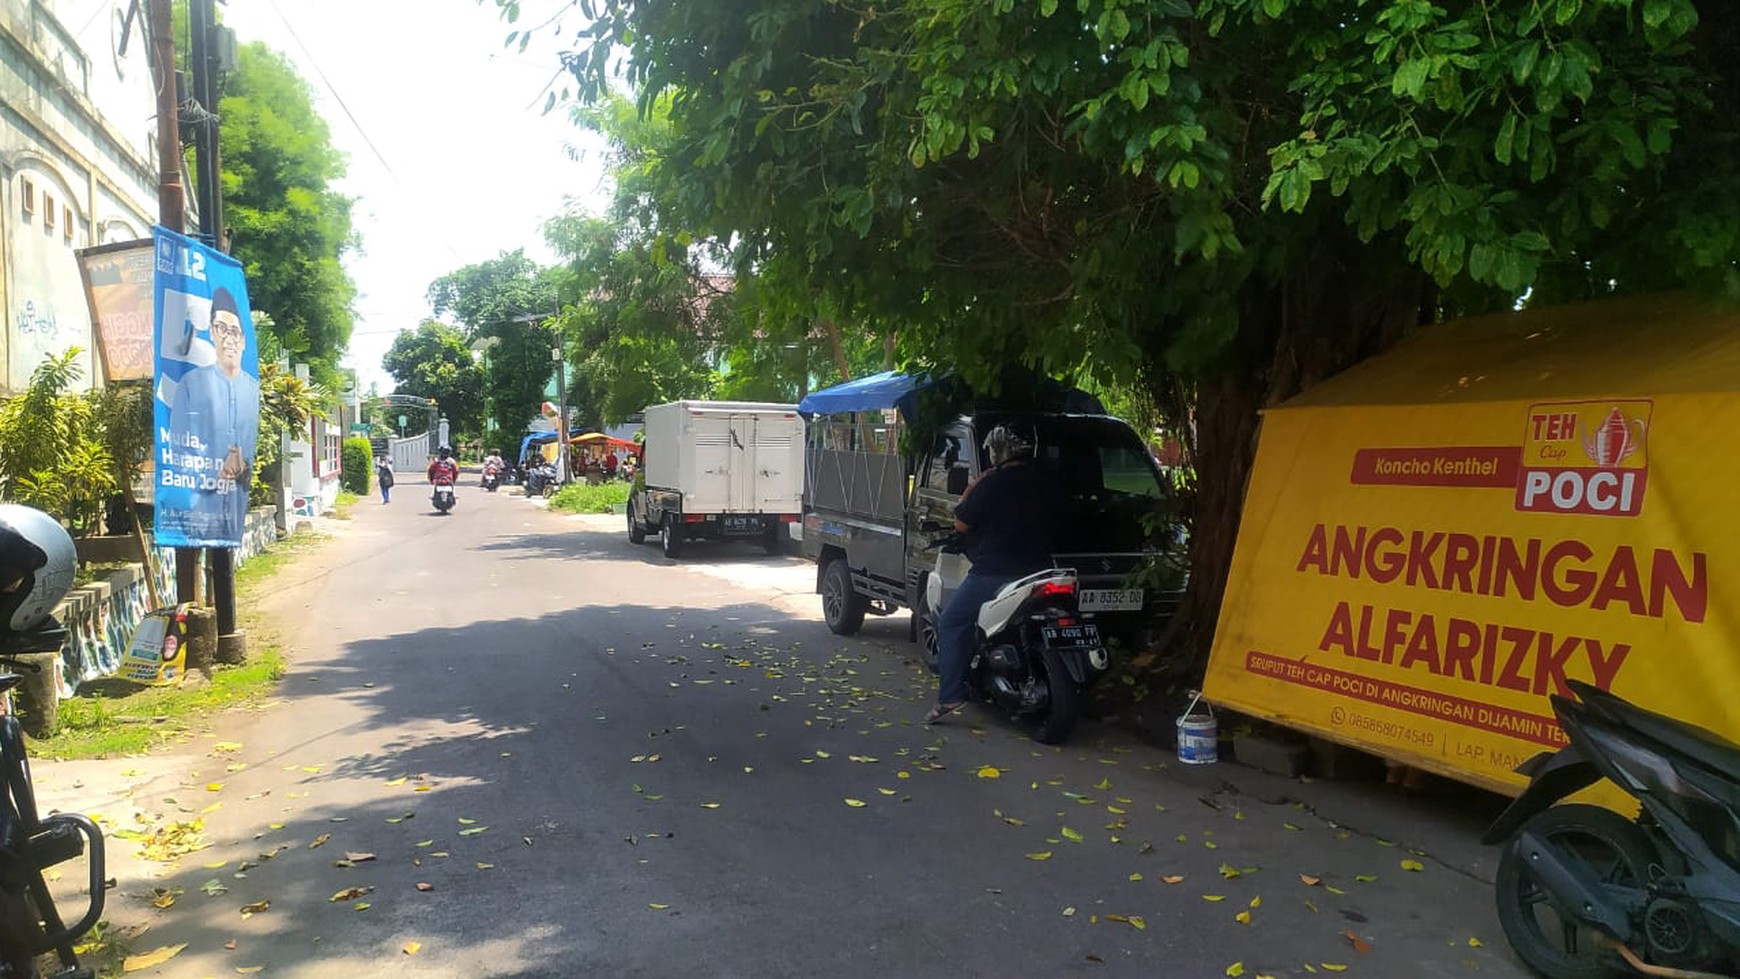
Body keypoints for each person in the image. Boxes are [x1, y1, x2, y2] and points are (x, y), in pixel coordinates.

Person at [927, 424, 1063, 725]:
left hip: (995, 572)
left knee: (951, 621)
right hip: (1040, 571)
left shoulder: (993, 484)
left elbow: (961, 524)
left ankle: (950, 695)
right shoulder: (1047, 483)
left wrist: (974, 486)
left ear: (998, 452)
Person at [166, 287, 261, 543]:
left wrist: (242, 468)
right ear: (211, 333)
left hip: (233, 511)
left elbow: (251, 455)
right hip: (199, 512)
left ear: (242, 340)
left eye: (234, 332)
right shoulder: (191, 384)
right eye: (221, 328)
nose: (229, 338)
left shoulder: (252, 391)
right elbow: (177, 449)